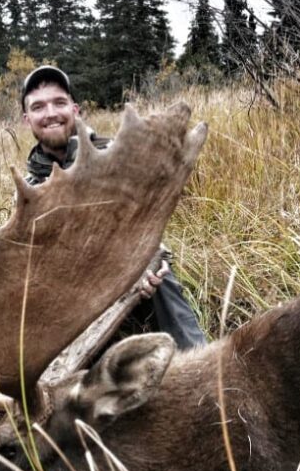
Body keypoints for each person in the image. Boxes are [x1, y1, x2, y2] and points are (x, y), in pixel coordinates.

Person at [19, 65, 207, 350]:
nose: (50, 114)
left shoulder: (115, 156)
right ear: (27, 119)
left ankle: (201, 366)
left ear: (75, 109)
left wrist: (154, 261)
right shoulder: (27, 188)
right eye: (38, 107)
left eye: (59, 103)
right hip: (72, 290)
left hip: (130, 274)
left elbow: (147, 221)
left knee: (162, 277)